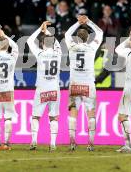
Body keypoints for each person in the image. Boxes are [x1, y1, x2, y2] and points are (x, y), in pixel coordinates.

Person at [65, 15, 103, 151]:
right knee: (91, 114)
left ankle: (72, 142)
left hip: (75, 84)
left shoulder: (72, 46)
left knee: (73, 113)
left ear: (77, 38)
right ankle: (91, 144)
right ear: (87, 38)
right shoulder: (92, 47)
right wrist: (88, 21)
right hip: (88, 85)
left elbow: (67, 33)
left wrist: (78, 22)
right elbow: (100, 33)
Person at [27, 21, 62, 151]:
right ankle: (52, 144)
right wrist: (47, 31)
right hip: (54, 89)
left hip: (42, 89)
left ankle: (34, 141)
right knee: (53, 117)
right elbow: (56, 43)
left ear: (42, 44)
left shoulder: (40, 54)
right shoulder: (58, 53)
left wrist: (40, 29)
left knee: (36, 116)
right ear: (53, 43)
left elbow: (30, 41)